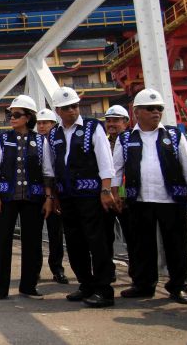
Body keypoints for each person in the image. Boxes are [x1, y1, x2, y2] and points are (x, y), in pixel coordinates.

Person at [112, 89, 187, 304]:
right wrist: (114, 193)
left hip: (171, 199)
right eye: (150, 108)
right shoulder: (125, 139)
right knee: (142, 246)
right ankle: (144, 285)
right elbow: (116, 169)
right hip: (139, 200)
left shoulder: (173, 135)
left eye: (159, 108)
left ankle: (178, 287)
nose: (156, 112)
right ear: (137, 112)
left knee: (176, 245)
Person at [48, 86, 116, 308]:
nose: (72, 111)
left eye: (75, 106)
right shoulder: (54, 134)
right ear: (58, 110)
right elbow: (51, 168)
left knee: (97, 241)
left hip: (90, 195)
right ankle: (86, 284)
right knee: (75, 242)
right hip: (67, 196)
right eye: (67, 107)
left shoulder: (93, 128)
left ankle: (104, 290)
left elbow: (105, 161)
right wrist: (54, 196)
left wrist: (106, 191)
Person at [0, 96, 55, 300]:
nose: (11, 118)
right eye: (10, 114)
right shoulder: (2, 139)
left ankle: (29, 286)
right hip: (7, 197)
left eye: (16, 114)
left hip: (34, 197)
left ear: (28, 117)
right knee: (3, 241)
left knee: (32, 242)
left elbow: (48, 172)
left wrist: (49, 198)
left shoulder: (41, 141)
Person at [36, 108, 69, 285]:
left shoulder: (61, 142)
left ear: (53, 124)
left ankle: (57, 269)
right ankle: (34, 270)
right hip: (37, 194)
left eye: (45, 123)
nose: (41, 126)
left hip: (57, 194)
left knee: (56, 234)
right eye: (39, 123)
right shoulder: (33, 142)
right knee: (34, 234)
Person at [103, 105, 132, 282]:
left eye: (116, 120)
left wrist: (120, 194)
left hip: (125, 198)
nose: (111, 124)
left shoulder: (133, 141)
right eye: (108, 121)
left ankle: (137, 273)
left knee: (132, 237)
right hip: (107, 197)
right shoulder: (103, 142)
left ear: (126, 122)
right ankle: (108, 272)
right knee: (105, 238)